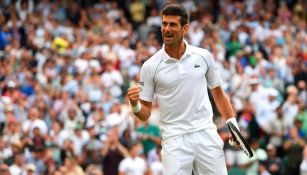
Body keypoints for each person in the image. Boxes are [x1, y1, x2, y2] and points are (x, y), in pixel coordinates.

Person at [127, 4, 241, 175]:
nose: (166, 29)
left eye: (172, 25)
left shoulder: (203, 56)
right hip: (174, 141)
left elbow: (219, 95)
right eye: (164, 24)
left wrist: (232, 124)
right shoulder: (150, 66)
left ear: (185, 28)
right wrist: (135, 104)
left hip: (206, 134)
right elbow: (145, 113)